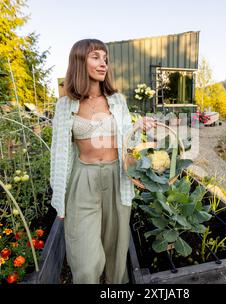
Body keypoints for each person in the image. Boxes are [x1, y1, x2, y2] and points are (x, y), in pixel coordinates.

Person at [49, 38, 155, 284]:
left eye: (105, 58)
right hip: (83, 180)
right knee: (85, 264)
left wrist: (137, 127)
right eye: (95, 57)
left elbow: (127, 141)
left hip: (116, 178)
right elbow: (59, 153)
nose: (103, 63)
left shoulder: (117, 100)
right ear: (79, 61)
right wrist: (59, 199)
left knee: (116, 253)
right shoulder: (65, 106)